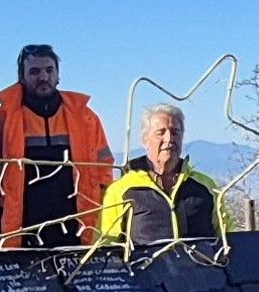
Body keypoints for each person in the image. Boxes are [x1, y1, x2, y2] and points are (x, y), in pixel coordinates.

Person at [0, 45, 110, 247]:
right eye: (34, 71)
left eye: (49, 70)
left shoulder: (86, 118)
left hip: (77, 228)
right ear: (21, 77)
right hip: (23, 231)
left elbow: (105, 168)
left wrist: (102, 212)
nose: (43, 77)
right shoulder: (4, 118)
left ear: (58, 75)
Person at [92, 104, 220, 247]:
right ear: (145, 139)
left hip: (201, 268)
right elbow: (106, 246)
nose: (169, 139)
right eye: (160, 132)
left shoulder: (206, 186)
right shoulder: (120, 191)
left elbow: (227, 237)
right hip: (143, 268)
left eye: (175, 132)